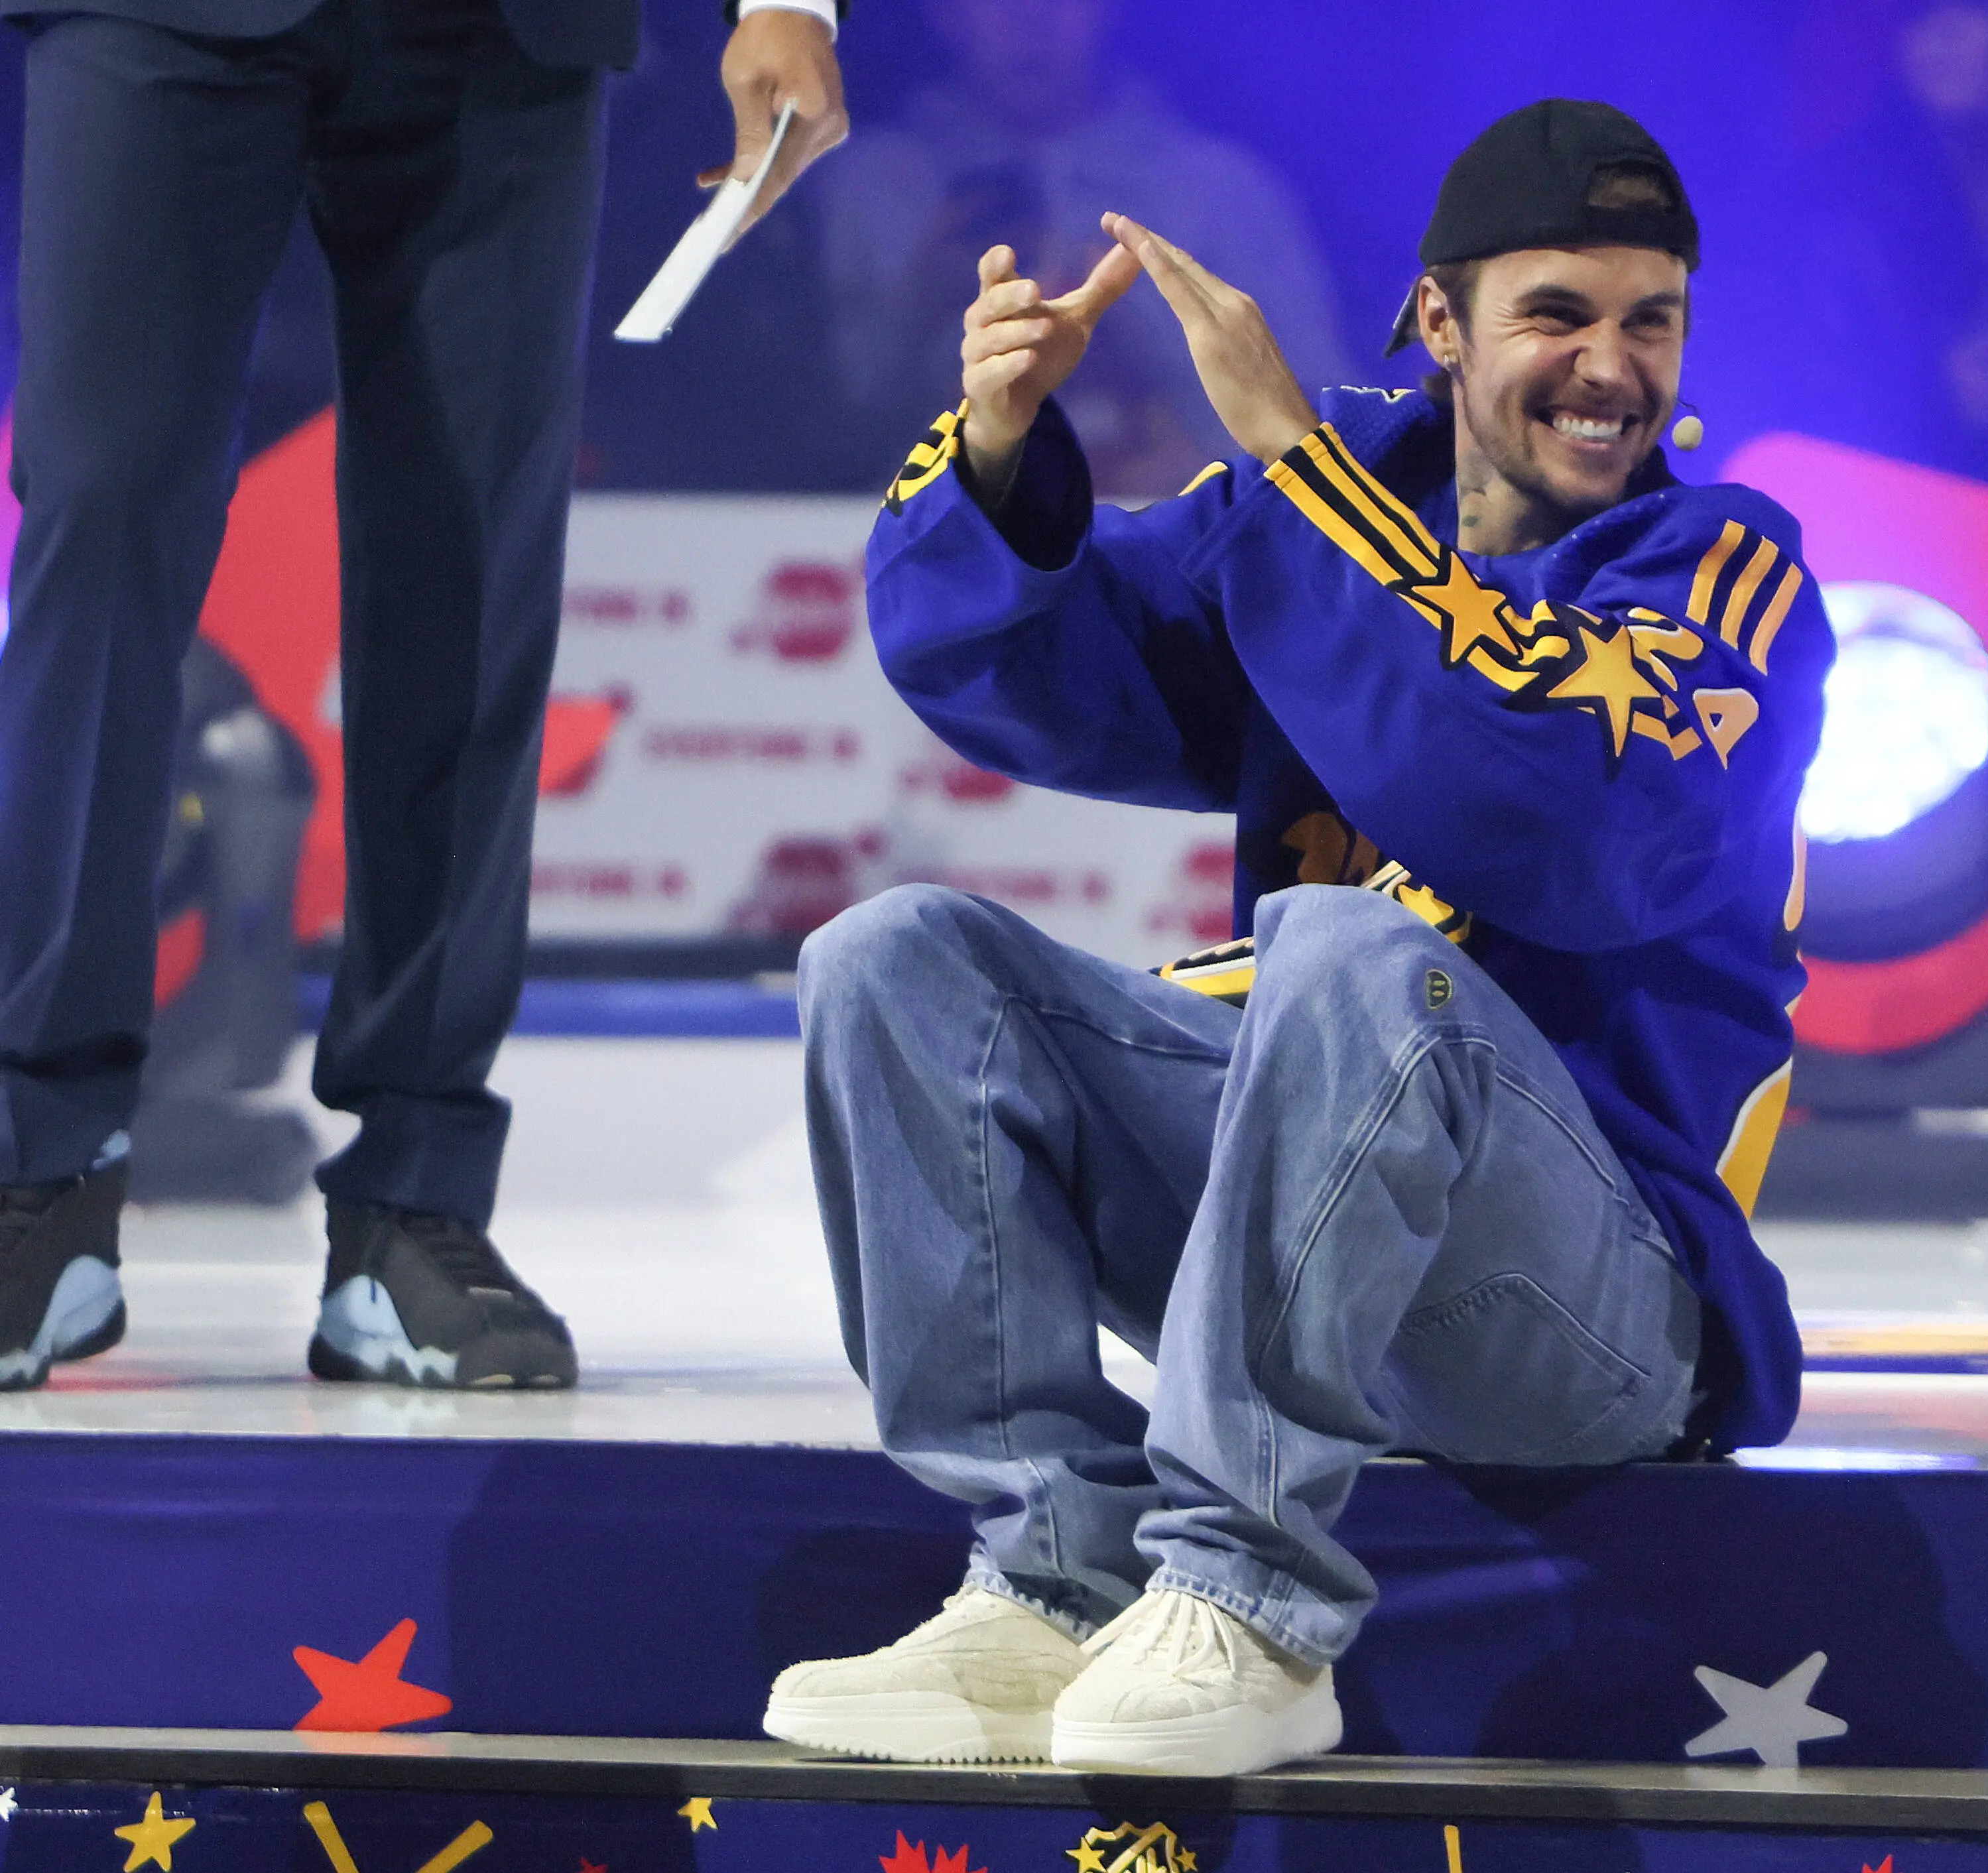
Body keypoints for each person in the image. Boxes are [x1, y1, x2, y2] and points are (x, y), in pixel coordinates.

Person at [759, 99, 1828, 1778]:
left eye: (1652, 319)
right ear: (1439, 323)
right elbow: (1026, 670)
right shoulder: (1315, 520)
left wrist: (1303, 470)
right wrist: (994, 441)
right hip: (1329, 1244)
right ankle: (1051, 1572)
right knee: (901, 959)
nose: (1612, 366)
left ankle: (1250, 1601)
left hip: (1592, 1325)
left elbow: (1560, 812)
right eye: (1559, 313)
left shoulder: (1724, 569)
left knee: (1340, 950)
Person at [0, 0, 848, 1392]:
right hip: (154, 16)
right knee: (96, 517)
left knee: (464, 567)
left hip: (497, 30)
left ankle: (416, 1190)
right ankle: (39, 1169)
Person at [807, 0, 1347, 501]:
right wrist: (919, 304)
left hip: (1176, 530)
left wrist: (1208, 457)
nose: (1030, 17)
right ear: (943, 10)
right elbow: (806, 424)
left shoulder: (1218, 188)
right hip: (928, 532)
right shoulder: (869, 186)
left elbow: (1319, 405)